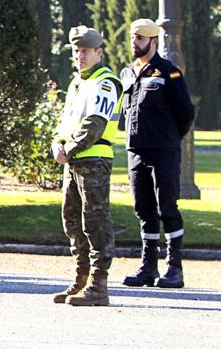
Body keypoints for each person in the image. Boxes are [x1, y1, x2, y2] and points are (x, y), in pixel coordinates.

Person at [120, 18, 196, 289]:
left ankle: (174, 267)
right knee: (144, 209)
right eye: (132, 37)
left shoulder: (168, 72)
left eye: (140, 38)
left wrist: (171, 139)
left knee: (167, 207)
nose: (134, 42)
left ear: (153, 42)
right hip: (137, 150)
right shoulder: (127, 72)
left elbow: (185, 112)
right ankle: (148, 267)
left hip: (164, 150)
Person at [51, 25, 122, 307]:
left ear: (99, 52)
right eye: (76, 50)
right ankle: (81, 279)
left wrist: (69, 149)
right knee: (72, 220)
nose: (80, 56)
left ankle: (98, 284)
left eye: (85, 51)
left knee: (95, 221)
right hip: (74, 160)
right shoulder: (78, 82)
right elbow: (66, 121)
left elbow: (94, 123)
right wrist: (57, 142)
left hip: (93, 158)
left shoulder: (105, 82)